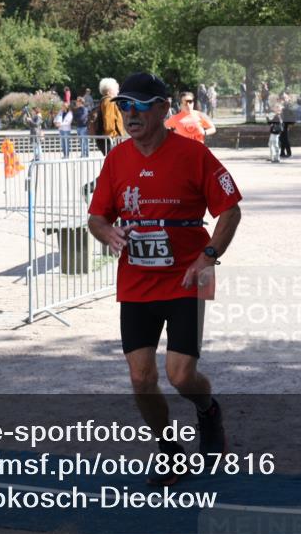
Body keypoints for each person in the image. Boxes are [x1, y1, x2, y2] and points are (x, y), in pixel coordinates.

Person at [86, 72, 242, 485]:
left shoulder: (194, 155)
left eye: (139, 106)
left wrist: (209, 256)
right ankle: (171, 452)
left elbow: (230, 211)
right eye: (123, 106)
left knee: (180, 376)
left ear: (162, 108)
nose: (130, 114)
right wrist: (108, 232)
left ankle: (208, 410)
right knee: (140, 378)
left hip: (188, 277)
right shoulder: (116, 158)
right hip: (136, 283)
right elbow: (96, 218)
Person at [96, 77, 124, 156]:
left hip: (108, 139)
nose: (118, 91)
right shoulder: (109, 101)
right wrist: (113, 136)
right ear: (108, 91)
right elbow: (109, 120)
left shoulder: (104, 100)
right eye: (116, 89)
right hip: (111, 140)